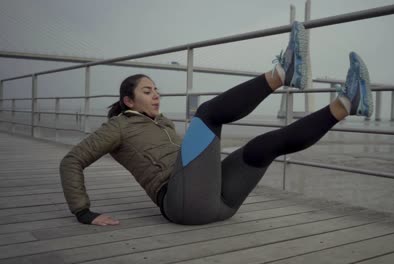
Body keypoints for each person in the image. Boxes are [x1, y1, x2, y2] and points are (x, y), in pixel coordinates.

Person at [60, 21, 373, 226]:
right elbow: (71, 161)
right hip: (182, 205)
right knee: (208, 114)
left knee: (261, 149)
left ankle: (345, 105)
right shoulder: (118, 126)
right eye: (147, 91)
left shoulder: (163, 123)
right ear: (128, 101)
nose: (156, 96)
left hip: (219, 205)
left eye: (156, 90)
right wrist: (84, 212)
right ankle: (281, 74)